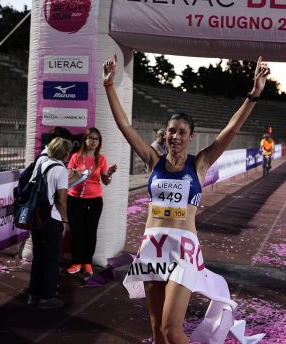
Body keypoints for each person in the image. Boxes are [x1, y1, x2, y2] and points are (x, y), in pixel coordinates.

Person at [103, 54, 270, 343]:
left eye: (182, 132)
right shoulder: (153, 161)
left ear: (191, 137)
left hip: (183, 251)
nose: (175, 136)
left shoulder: (200, 164)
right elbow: (125, 127)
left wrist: (253, 94)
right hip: (152, 248)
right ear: (164, 134)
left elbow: (232, 129)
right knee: (156, 332)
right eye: (171, 131)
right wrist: (109, 86)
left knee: (171, 329)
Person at [27, 137, 72, 310]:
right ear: (66, 153)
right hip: (52, 218)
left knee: (38, 257)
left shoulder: (41, 163)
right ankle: (48, 297)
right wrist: (65, 220)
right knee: (52, 259)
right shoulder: (60, 169)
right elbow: (61, 200)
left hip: (37, 217)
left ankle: (34, 293)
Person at [65, 128, 117, 276]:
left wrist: (110, 173)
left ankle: (87, 263)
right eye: (91, 138)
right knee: (76, 232)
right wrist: (77, 174)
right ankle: (76, 262)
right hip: (75, 199)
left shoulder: (101, 159)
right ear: (85, 140)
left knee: (90, 232)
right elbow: (68, 179)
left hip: (94, 200)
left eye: (97, 139)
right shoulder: (75, 157)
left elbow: (106, 181)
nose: (94, 141)